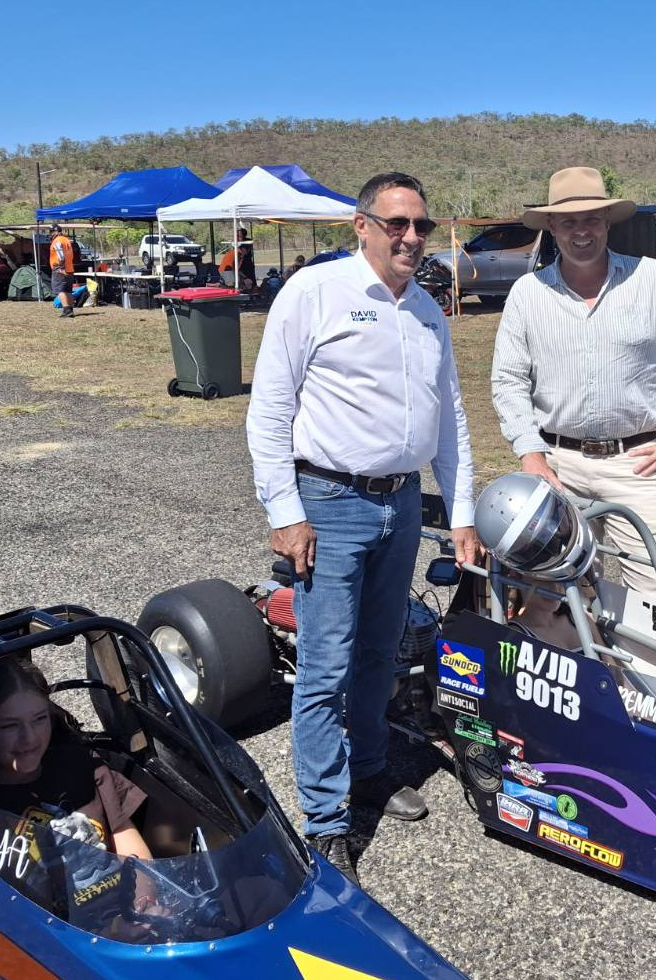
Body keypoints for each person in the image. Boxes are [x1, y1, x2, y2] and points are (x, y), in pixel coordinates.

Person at [247, 170, 480, 884]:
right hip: (331, 502)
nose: (411, 236)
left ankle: (371, 772)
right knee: (325, 663)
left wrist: (462, 511)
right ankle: (325, 818)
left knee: (382, 652)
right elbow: (269, 409)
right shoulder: (316, 294)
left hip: (401, 503)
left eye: (420, 225)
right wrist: (285, 513)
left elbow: (452, 423)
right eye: (396, 223)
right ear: (363, 225)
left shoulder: (428, 312)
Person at [491, 166, 656, 605]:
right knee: (562, 597)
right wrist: (532, 455)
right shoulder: (528, 293)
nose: (581, 231)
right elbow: (507, 379)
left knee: (654, 599)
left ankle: (644, 675)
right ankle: (593, 673)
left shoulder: (652, 280)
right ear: (552, 228)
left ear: (607, 222)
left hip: (636, 466)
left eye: (591, 219)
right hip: (558, 467)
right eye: (568, 221)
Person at [0, 657, 153, 865]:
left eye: (40, 719)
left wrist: (144, 896)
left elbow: (124, 836)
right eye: (10, 726)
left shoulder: (82, 766)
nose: (29, 738)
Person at [48, 223, 79, 318]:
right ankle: (70, 309)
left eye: (51, 232)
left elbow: (60, 255)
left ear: (55, 231)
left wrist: (60, 267)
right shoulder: (66, 240)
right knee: (68, 290)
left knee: (60, 290)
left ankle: (66, 310)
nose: (50, 234)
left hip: (60, 269)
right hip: (69, 268)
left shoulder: (57, 241)